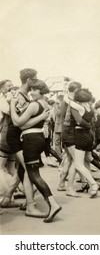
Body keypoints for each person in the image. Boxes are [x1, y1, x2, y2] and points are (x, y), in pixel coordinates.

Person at [10, 79, 62, 222]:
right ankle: (30, 201)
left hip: (31, 140)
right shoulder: (45, 104)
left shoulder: (34, 105)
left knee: (33, 174)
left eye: (34, 90)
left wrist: (12, 105)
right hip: (39, 138)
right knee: (25, 171)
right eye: (30, 89)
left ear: (41, 91)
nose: (31, 92)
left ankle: (53, 203)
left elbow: (18, 123)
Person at [1, 69, 48, 218]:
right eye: (35, 79)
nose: (36, 81)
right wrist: (42, 115)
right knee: (28, 170)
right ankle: (30, 206)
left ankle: (7, 198)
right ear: (28, 80)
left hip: (18, 136)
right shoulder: (17, 96)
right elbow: (19, 122)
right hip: (14, 137)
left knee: (21, 168)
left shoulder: (23, 96)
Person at [64, 88, 100, 198]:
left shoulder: (79, 107)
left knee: (78, 164)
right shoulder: (89, 107)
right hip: (89, 135)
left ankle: (94, 184)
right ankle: (90, 184)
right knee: (85, 162)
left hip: (81, 135)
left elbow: (67, 100)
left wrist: (67, 95)